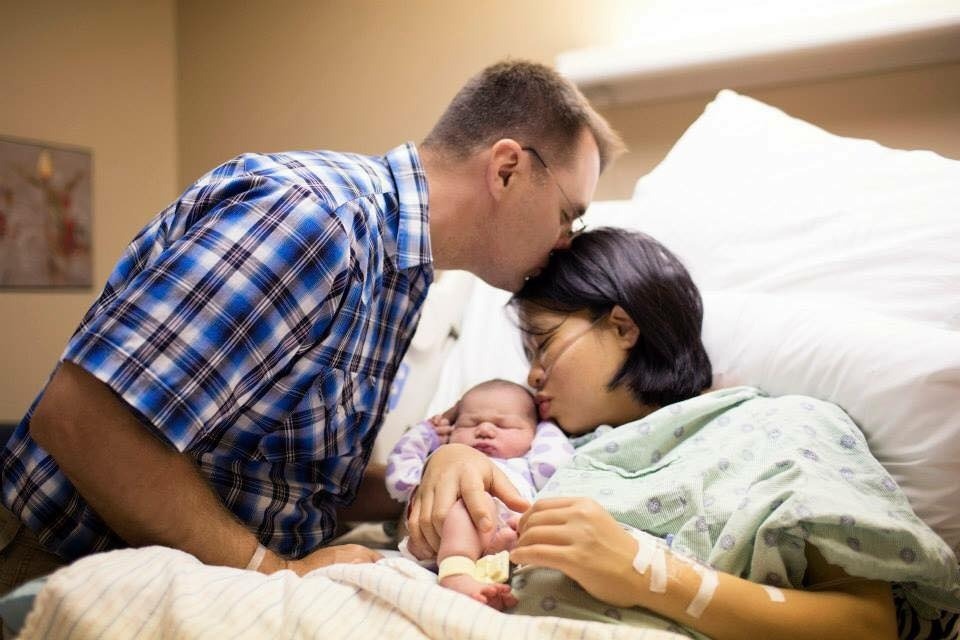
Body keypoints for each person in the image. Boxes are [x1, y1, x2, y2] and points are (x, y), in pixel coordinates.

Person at [0, 60, 625, 594]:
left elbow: (294, 482)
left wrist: (441, 470)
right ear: (507, 169)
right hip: (60, 565)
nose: (565, 240)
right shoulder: (315, 219)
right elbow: (82, 420)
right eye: (567, 214)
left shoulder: (401, 275)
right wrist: (275, 572)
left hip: (190, 573)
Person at [407, 228, 960, 639]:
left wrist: (648, 575)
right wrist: (452, 460)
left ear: (622, 326)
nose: (532, 375)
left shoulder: (775, 427)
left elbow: (866, 627)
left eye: (543, 345)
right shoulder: (549, 450)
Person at [385, 379, 572, 609]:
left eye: (504, 425)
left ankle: (491, 564)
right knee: (472, 500)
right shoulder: (438, 464)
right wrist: (428, 431)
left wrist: (546, 425)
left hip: (503, 538)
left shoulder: (531, 467)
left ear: (534, 435)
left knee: (527, 524)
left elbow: (557, 462)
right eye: (468, 424)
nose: (484, 430)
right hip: (432, 536)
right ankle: (456, 573)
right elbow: (397, 479)